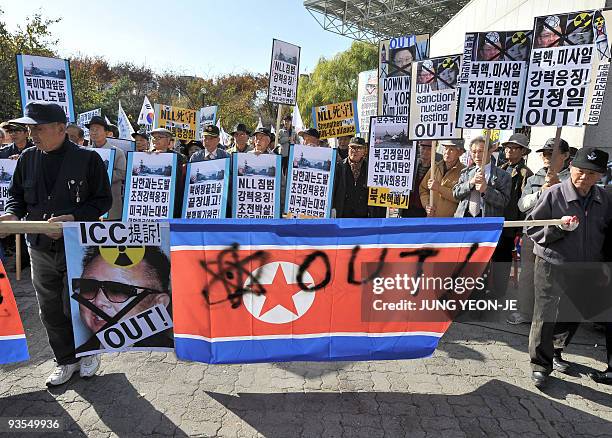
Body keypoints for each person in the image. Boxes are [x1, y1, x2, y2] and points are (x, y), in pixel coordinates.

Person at [0, 102, 112, 386]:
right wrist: (11, 213)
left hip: (77, 247)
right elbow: (16, 197)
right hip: (38, 246)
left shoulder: (89, 160)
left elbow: (103, 201)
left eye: (38, 128)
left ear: (61, 129)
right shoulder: (26, 159)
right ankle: (65, 359)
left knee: (79, 302)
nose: (32, 134)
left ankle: (89, 351)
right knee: (49, 307)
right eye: (29, 128)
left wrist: (73, 218)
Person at [526, 147, 612, 389]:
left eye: (592, 174)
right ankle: (540, 365)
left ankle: (556, 350)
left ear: (601, 176)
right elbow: (531, 228)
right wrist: (557, 230)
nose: (584, 177)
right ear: (571, 168)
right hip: (551, 262)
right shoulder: (554, 194)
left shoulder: (604, 200)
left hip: (586, 267)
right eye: (580, 171)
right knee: (544, 314)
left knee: (573, 314)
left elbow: (607, 235)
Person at [510, 138, 571, 325]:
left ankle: (549, 317)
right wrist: (540, 193)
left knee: (551, 277)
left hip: (558, 236)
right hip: (532, 233)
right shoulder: (534, 178)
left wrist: (557, 186)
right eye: (545, 153)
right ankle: (525, 312)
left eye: (552, 153)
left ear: (565, 155)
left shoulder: (571, 178)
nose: (547, 157)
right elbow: (522, 205)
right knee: (528, 273)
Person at [72, 246, 172, 352]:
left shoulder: (176, 360)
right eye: (89, 287)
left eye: (117, 290)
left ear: (158, 304)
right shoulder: (76, 358)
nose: (98, 301)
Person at [492, 133, 533, 299]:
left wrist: (519, 228)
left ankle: (499, 292)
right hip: (494, 218)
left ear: (522, 151)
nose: (508, 150)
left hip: (509, 224)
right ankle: (488, 288)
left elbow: (524, 203)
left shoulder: (525, 173)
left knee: (502, 258)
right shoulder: (500, 168)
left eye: (514, 148)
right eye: (507, 147)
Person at [453, 136, 511, 218]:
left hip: (487, 220)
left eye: (481, 151)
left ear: (490, 151)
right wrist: (470, 183)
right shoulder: (466, 172)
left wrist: (486, 190)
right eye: (474, 152)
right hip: (464, 218)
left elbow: (504, 202)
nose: (477, 155)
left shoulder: (503, 175)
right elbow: (455, 193)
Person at [332, 137, 385, 218]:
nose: (354, 151)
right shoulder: (339, 167)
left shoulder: (371, 168)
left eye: (358, 148)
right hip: (343, 215)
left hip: (364, 216)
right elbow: (333, 191)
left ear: (364, 151)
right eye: (352, 147)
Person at [86, 116, 127, 221]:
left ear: (106, 132)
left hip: (111, 203)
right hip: (89, 203)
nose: (94, 132)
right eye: (91, 130)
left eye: (97, 129)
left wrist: (101, 176)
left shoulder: (117, 152)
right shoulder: (85, 152)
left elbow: (122, 173)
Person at [419, 139, 465, 217]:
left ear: (460, 153)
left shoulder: (464, 172)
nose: (447, 152)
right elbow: (423, 189)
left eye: (451, 149)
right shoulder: (435, 168)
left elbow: (461, 197)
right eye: (446, 148)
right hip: (431, 219)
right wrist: (427, 205)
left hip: (451, 221)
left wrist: (439, 188)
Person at [150, 128, 187, 218]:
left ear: (168, 141)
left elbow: (178, 182)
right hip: (152, 201)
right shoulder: (147, 156)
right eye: (154, 138)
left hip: (171, 202)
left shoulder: (178, 157)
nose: (155, 140)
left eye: (159, 137)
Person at [400, 140, 440, 218]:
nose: (425, 151)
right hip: (407, 207)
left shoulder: (438, 168)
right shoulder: (411, 164)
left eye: (429, 149)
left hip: (426, 209)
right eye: (423, 148)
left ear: (434, 150)